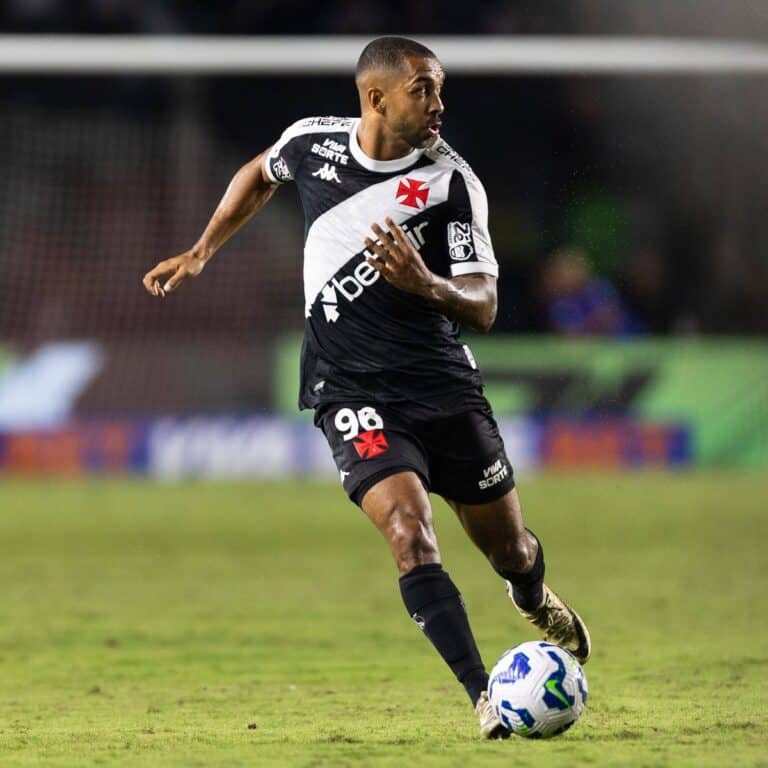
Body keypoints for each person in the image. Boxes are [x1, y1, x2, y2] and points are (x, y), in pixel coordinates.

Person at [142, 36, 591, 739]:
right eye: (423, 89)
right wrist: (202, 252)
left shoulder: (452, 185)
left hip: (441, 386)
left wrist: (425, 283)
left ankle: (531, 594)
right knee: (410, 534)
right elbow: (259, 172)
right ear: (376, 97)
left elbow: (484, 305)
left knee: (510, 549)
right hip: (348, 388)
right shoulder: (311, 144)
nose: (439, 104)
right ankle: (483, 695)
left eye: (440, 89)